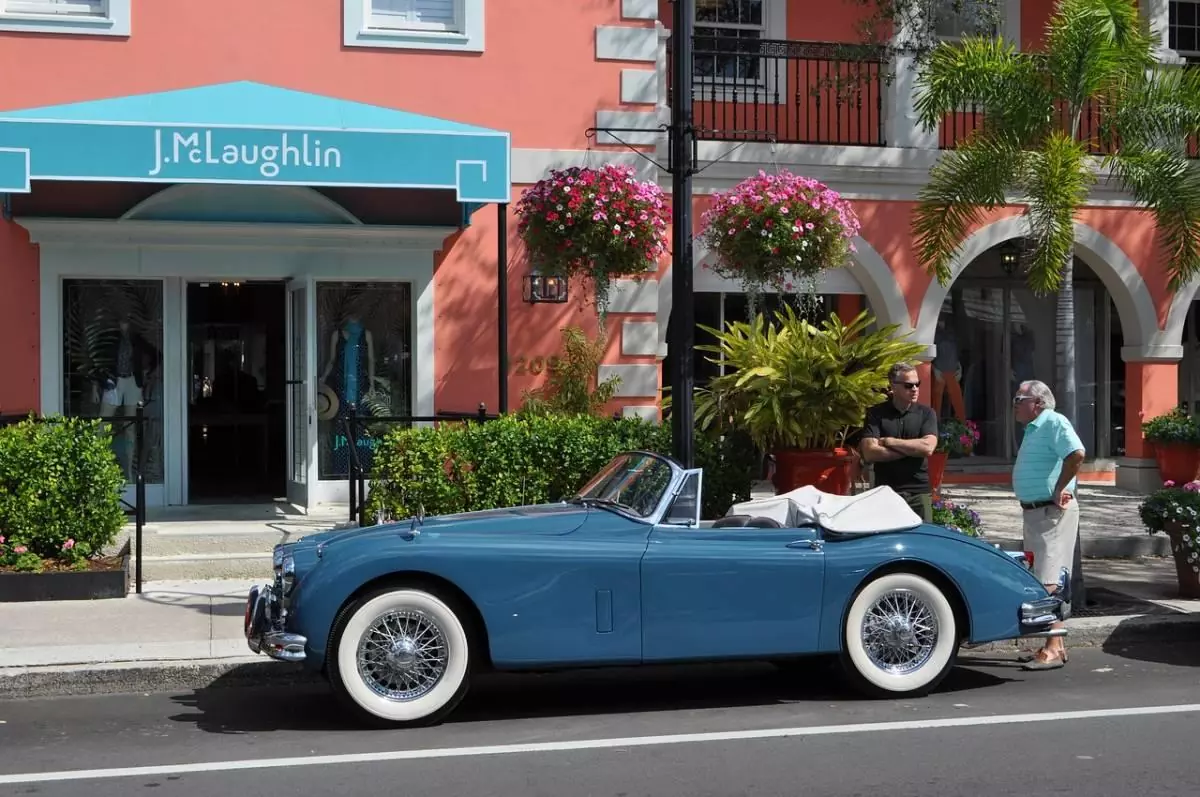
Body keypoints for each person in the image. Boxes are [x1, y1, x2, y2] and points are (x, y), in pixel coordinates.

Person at [1011, 379, 1085, 671]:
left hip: (1050, 512)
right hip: (1036, 513)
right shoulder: (1034, 428)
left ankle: (1053, 647)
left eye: (1020, 398)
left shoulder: (1053, 421)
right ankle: (1056, 643)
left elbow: (1076, 454)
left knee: (1048, 579)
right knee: (1041, 576)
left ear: (1038, 403)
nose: (1015, 403)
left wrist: (1059, 487)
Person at [860, 363, 939, 522]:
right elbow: (869, 452)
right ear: (893, 386)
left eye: (917, 384)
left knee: (922, 541)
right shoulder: (876, 414)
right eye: (908, 385)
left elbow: (927, 447)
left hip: (919, 494)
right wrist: (912, 450)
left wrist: (890, 442)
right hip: (885, 493)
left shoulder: (926, 414)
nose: (915, 389)